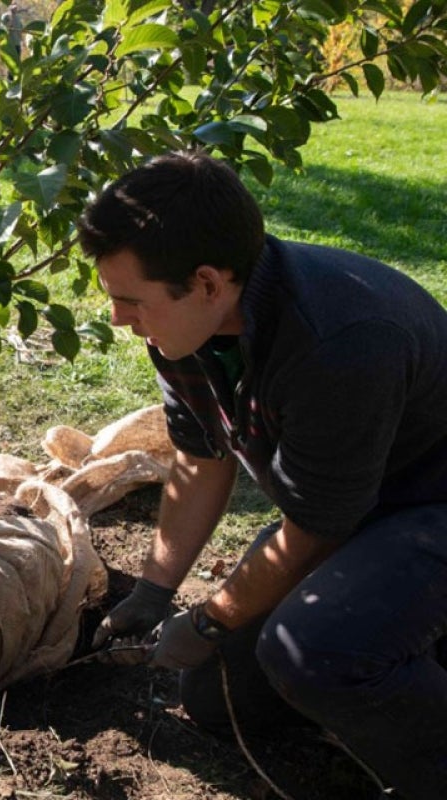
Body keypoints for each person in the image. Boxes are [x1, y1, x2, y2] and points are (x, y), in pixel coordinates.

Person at [77, 149, 447, 799]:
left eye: (129, 300)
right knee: (219, 698)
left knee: (315, 652)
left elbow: (313, 532)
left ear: (209, 283)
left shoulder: (340, 341)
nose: (118, 318)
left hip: (427, 508)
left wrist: (212, 619)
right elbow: (200, 458)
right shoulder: (186, 329)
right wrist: (156, 593)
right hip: (353, 507)